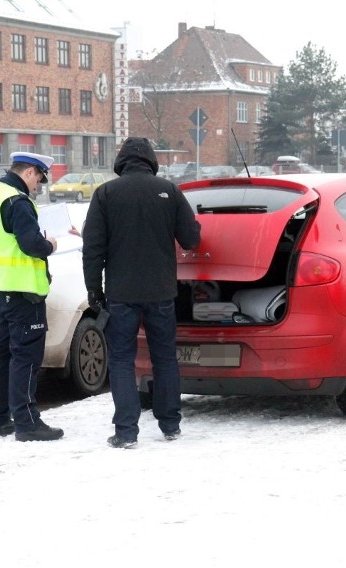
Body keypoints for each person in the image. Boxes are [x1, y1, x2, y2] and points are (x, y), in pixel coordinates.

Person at [82, 137, 201, 449]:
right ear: (151, 161)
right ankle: (170, 424)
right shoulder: (170, 192)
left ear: (121, 162)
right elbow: (190, 239)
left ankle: (126, 432)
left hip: (121, 294)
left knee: (122, 360)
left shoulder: (105, 194)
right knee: (165, 358)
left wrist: (94, 289)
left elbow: (92, 248)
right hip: (161, 292)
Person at [0, 151, 64, 442]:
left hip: (0, 289)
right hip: (24, 292)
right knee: (25, 357)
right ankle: (27, 423)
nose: (38, 185)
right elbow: (31, 246)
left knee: (0, 354)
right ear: (29, 172)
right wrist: (50, 243)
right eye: (38, 178)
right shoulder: (18, 202)